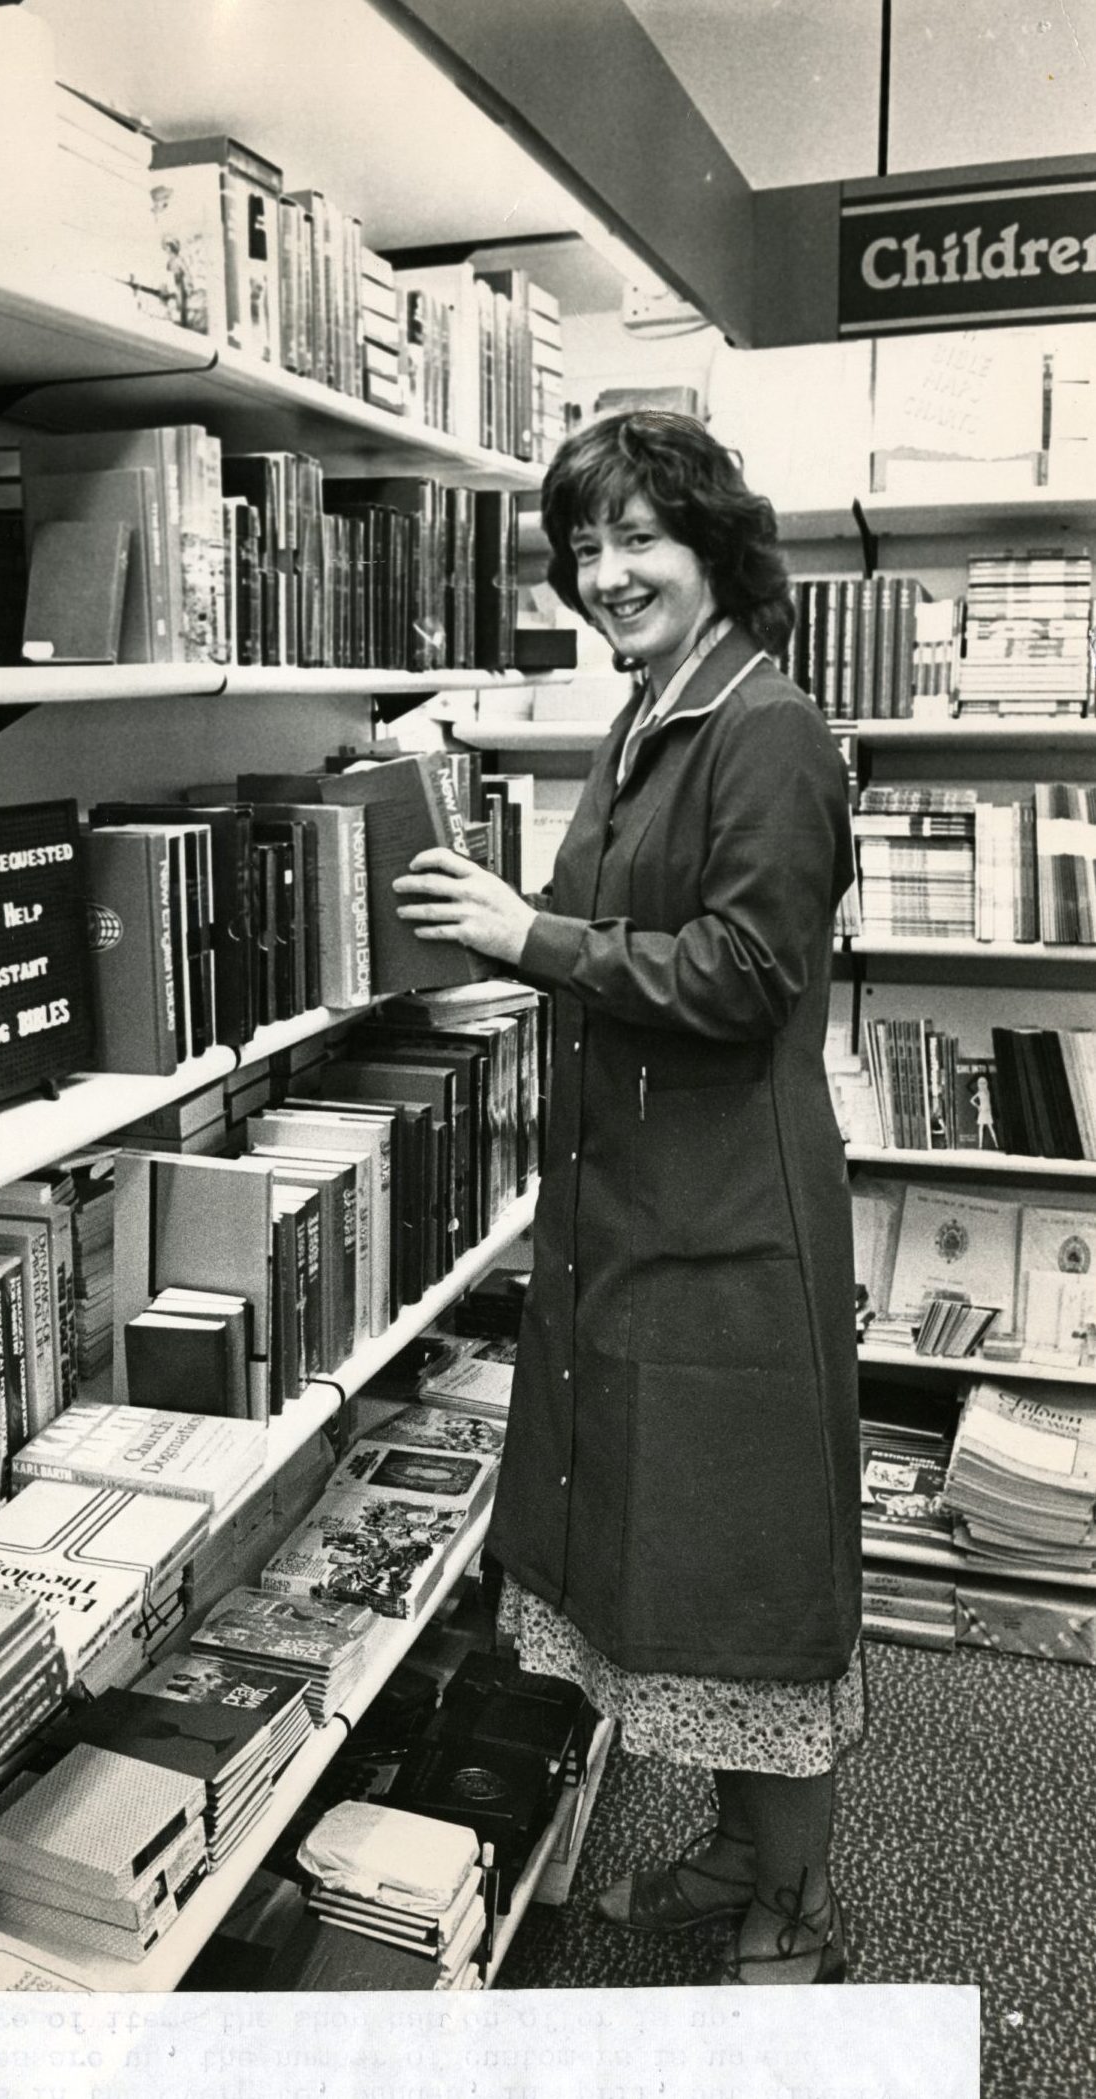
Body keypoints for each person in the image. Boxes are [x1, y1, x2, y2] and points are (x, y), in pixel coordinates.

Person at [394, 411, 863, 1986]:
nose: (606, 574)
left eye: (637, 538)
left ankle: (793, 1903)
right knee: (672, 1557)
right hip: (638, 1207)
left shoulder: (766, 727)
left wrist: (528, 937)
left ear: (715, 543)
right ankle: (739, 1853)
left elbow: (743, 974)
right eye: (582, 548)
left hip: (727, 1220)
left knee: (746, 1571)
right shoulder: (654, 712)